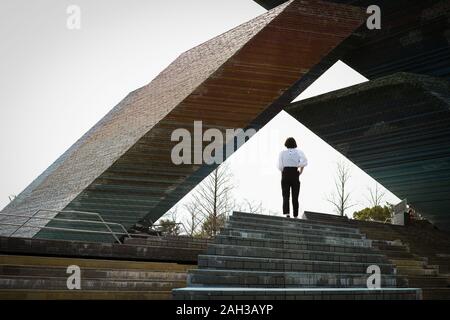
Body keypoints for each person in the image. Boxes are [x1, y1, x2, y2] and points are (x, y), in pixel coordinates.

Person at [277, 137, 308, 218]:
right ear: (295, 144)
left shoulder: (282, 153)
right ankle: (295, 215)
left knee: (285, 195)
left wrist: (283, 173)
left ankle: (287, 213)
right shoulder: (299, 152)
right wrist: (300, 170)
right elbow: (304, 162)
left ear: (286, 144)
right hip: (295, 173)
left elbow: (280, 166)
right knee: (295, 196)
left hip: (285, 173)